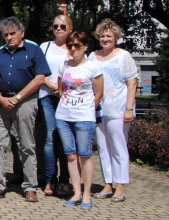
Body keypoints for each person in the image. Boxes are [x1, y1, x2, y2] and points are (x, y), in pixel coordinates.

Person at [0, 17, 50, 202]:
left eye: (12, 34)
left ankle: (30, 187)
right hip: (1, 102)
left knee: (26, 144)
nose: (9, 37)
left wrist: (17, 97)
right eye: (6, 35)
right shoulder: (0, 53)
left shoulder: (33, 50)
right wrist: (0, 98)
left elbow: (40, 78)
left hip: (25, 101)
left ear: (22, 33)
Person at [89, 19, 138, 203]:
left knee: (118, 147)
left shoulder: (123, 56)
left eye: (109, 36)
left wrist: (129, 109)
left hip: (118, 108)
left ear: (115, 37)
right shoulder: (93, 56)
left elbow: (132, 83)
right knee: (103, 148)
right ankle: (108, 184)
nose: (105, 39)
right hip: (99, 109)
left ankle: (120, 185)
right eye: (102, 36)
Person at [55, 31, 103, 210]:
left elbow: (99, 93)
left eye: (77, 45)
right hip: (63, 116)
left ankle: (87, 194)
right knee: (71, 155)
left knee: (85, 155)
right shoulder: (64, 65)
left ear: (85, 47)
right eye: (70, 46)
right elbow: (61, 89)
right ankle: (76, 193)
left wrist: (87, 107)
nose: (73, 49)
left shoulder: (93, 67)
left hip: (84, 117)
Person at [37, 15, 73, 197]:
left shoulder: (74, 47)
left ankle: (65, 179)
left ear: (70, 29)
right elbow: (39, 71)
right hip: (47, 96)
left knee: (66, 139)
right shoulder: (45, 46)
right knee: (50, 138)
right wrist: (52, 86)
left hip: (68, 99)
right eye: (55, 26)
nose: (59, 29)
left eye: (63, 26)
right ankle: (50, 179)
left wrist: (62, 90)